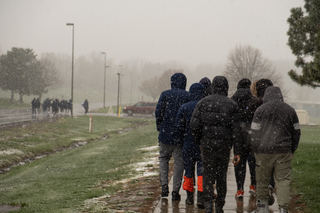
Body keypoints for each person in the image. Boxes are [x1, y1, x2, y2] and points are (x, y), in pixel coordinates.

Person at [190, 76, 242, 213]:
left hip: (207, 145)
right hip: (224, 147)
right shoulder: (232, 105)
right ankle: (219, 205)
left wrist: (199, 141)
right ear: (226, 87)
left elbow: (194, 125)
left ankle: (208, 204)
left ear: (213, 87)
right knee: (221, 176)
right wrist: (237, 151)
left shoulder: (203, 103)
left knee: (208, 174)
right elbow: (237, 130)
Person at [251, 86, 301, 213]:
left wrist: (255, 148)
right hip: (284, 151)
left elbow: (254, 132)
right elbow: (296, 132)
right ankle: (283, 209)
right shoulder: (290, 110)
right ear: (280, 95)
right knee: (283, 180)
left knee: (262, 180)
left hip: (263, 151)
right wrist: (292, 149)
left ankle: (262, 208)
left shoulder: (260, 110)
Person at [155, 73, 191, 201]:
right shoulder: (187, 96)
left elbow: (158, 112)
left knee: (163, 159)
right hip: (180, 136)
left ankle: (164, 185)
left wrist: (160, 126)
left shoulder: (165, 94)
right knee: (179, 163)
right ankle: (175, 191)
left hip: (165, 133)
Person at [245, 79, 276, 205]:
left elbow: (247, 121)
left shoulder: (253, 103)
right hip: (272, 140)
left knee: (256, 166)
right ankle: (270, 184)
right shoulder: (275, 103)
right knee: (271, 166)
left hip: (257, 140)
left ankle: (258, 187)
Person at [176, 83, 205, 207]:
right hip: (202, 145)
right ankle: (200, 196)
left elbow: (179, 127)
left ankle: (189, 197)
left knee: (188, 170)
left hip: (188, 144)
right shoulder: (205, 107)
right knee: (201, 171)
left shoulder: (184, 107)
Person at [231, 78, 255, 198]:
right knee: (253, 160)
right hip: (252, 134)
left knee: (239, 161)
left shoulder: (233, 99)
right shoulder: (254, 99)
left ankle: (240, 189)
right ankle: (253, 185)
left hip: (238, 135)